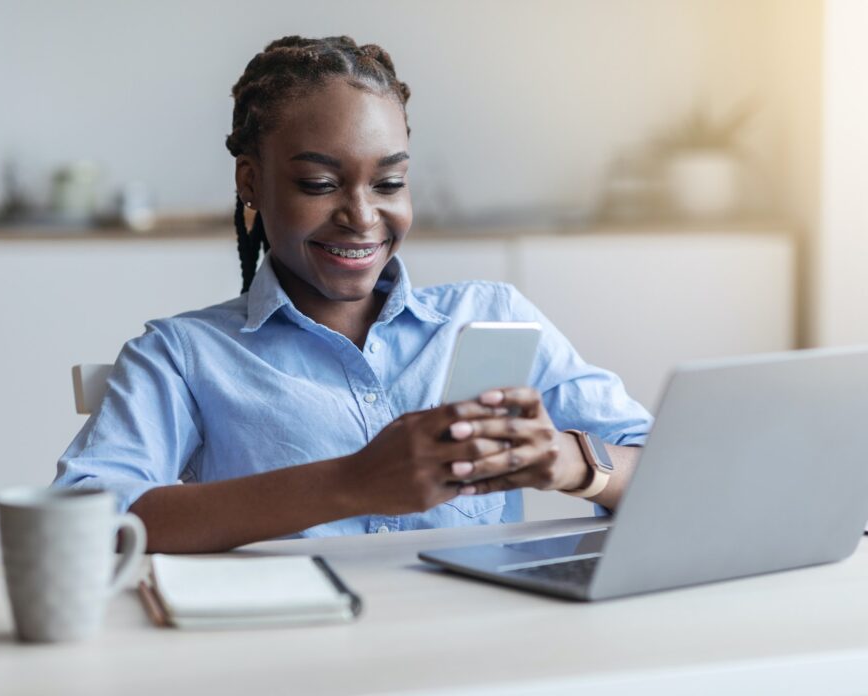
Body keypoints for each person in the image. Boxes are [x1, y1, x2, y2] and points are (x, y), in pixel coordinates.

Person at [54, 35, 652, 553]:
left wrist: (575, 463)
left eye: (389, 182)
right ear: (251, 182)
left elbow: (677, 466)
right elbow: (84, 518)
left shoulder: (489, 316)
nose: (363, 216)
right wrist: (351, 483)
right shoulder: (183, 356)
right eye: (320, 184)